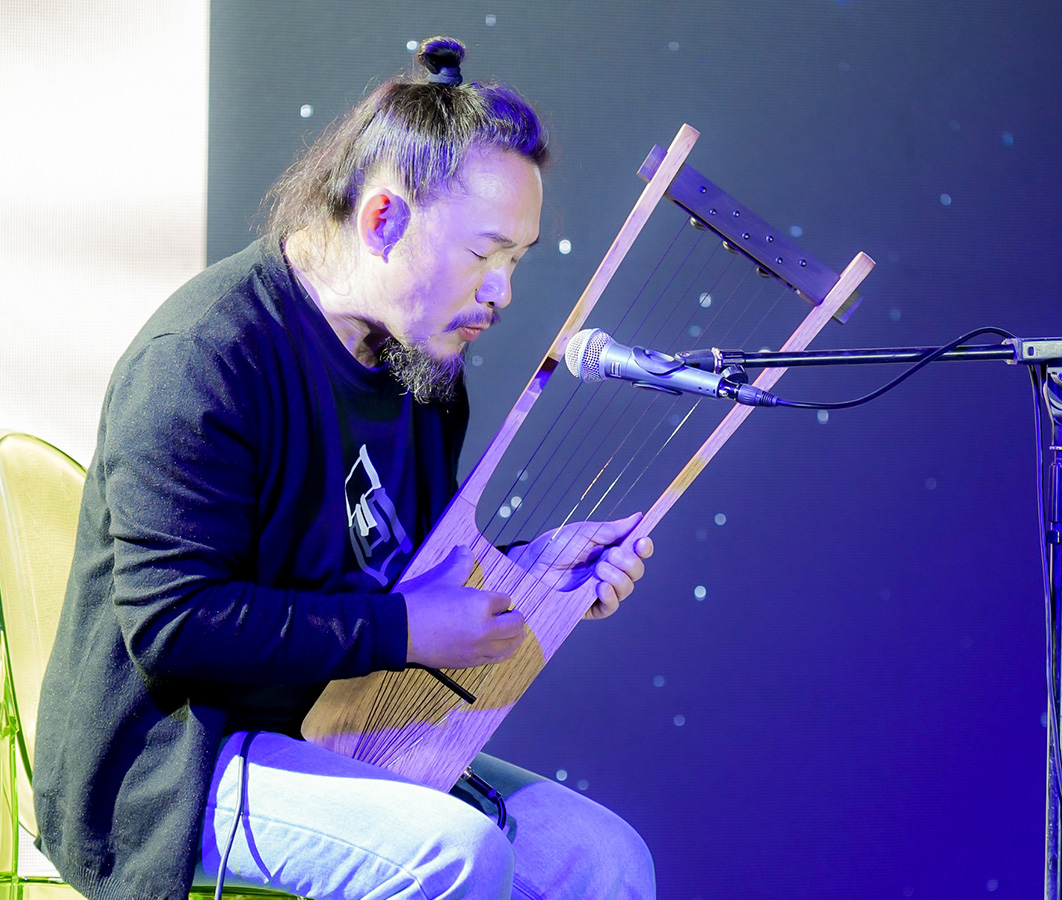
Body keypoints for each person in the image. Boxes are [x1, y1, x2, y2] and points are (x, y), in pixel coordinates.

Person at [33, 37, 656, 900]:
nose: (502, 292)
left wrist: (534, 573)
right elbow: (173, 624)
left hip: (337, 723)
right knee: (455, 854)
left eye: (517, 260)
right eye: (484, 254)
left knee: (607, 857)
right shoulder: (202, 358)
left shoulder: (422, 370)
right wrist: (403, 629)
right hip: (178, 757)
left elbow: (403, 573)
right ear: (382, 219)